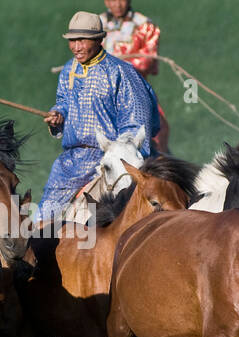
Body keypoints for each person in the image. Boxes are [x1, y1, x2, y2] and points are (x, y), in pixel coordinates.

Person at [39, 11, 156, 223]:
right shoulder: (68, 70)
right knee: (43, 220)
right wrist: (58, 115)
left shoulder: (121, 72)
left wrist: (117, 150)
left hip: (114, 158)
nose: (76, 47)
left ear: (99, 40)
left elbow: (138, 120)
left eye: (82, 40)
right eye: (72, 41)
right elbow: (64, 101)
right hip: (72, 162)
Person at [100, 0, 171, 154]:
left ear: (129, 0)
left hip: (136, 87)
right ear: (106, 2)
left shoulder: (145, 25)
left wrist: (116, 65)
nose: (117, 4)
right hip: (102, 91)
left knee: (158, 130)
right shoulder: (97, 25)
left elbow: (147, 60)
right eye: (113, 0)